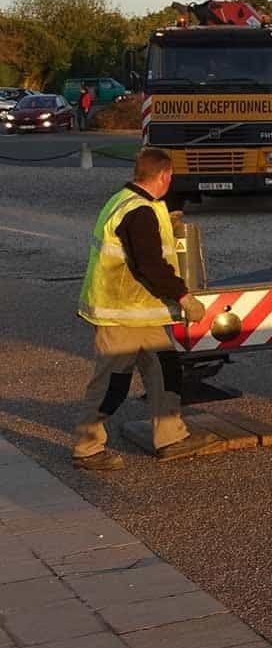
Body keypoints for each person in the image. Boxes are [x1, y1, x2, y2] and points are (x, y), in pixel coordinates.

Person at [73, 149, 216, 469]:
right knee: (111, 383)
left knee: (165, 370)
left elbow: (140, 243)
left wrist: (164, 219)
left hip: (139, 312)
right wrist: (184, 297)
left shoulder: (127, 200)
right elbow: (149, 264)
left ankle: (171, 438)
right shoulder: (140, 212)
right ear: (164, 176)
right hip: (120, 313)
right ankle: (87, 448)